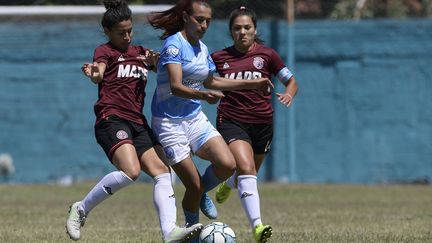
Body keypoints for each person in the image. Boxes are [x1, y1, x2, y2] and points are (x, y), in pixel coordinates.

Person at [65, 1, 203, 242]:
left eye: (130, 31)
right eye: (121, 33)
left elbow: (162, 65)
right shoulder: (104, 51)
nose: (127, 36)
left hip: (137, 122)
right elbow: (98, 72)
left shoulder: (140, 52)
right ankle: (81, 208)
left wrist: (157, 61)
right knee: (131, 171)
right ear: (108, 32)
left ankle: (170, 231)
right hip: (112, 118)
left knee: (162, 172)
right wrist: (94, 74)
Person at [147, 0, 273, 233]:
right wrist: (204, 96)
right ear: (185, 17)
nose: (204, 25)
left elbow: (212, 81)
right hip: (169, 123)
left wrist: (252, 84)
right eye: (199, 19)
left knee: (227, 164)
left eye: (208, 21)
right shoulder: (174, 45)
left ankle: (201, 193)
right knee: (192, 185)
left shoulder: (202, 49)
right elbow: (175, 86)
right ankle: (192, 229)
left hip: (194, 119)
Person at [211, 6, 299, 243]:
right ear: (231, 31)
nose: (242, 32)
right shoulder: (219, 58)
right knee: (247, 168)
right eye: (237, 28)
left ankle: (230, 183)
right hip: (231, 121)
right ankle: (257, 227)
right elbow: (206, 81)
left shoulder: (267, 55)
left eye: (247, 27)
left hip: (262, 124)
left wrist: (289, 94)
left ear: (254, 29)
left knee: (248, 173)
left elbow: (291, 81)